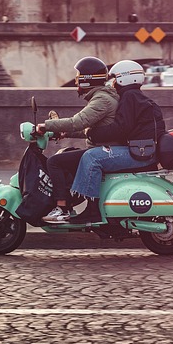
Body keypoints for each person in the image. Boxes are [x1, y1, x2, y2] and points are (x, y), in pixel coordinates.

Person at [68, 60, 165, 225]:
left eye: (113, 79)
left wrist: (93, 134)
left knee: (92, 157)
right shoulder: (135, 96)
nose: (111, 83)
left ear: (123, 78)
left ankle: (92, 209)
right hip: (144, 150)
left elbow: (121, 128)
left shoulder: (130, 97)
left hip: (140, 152)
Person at [36, 56, 119, 223]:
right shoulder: (102, 96)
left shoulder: (101, 99)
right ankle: (70, 201)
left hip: (103, 150)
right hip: (103, 147)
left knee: (55, 162)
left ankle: (62, 208)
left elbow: (78, 122)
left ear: (87, 79)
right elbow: (91, 129)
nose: (76, 81)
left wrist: (46, 126)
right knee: (65, 153)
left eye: (79, 76)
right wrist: (66, 134)